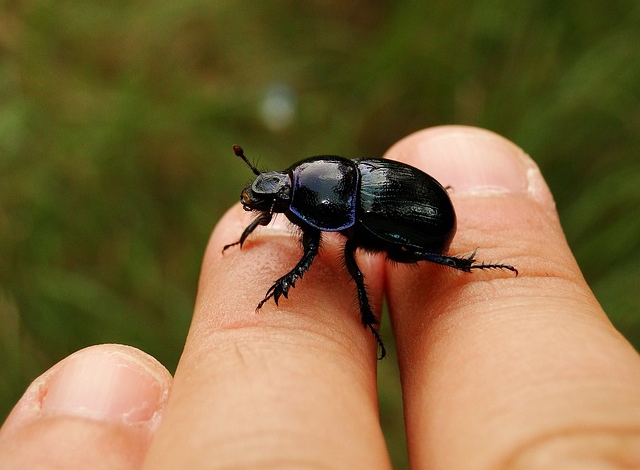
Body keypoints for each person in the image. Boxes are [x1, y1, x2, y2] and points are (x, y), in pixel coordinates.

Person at [1, 126, 639, 469]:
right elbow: (307, 231)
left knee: (398, 261)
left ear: (306, 193)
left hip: (420, 217)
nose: (267, 202)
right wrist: (260, 225)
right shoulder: (317, 191)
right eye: (268, 196)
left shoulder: (334, 205)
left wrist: (285, 279)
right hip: (374, 200)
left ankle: (476, 266)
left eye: (274, 197)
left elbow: (320, 255)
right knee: (356, 262)